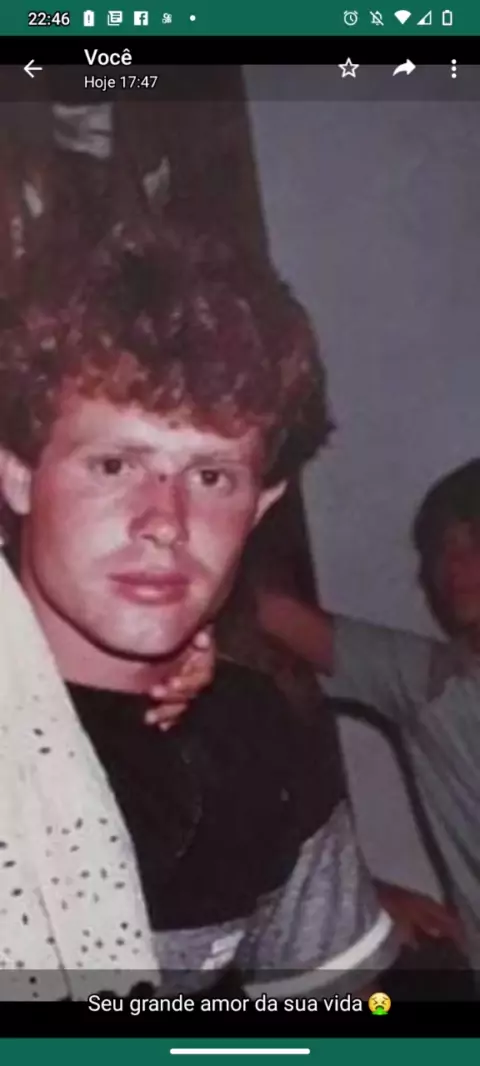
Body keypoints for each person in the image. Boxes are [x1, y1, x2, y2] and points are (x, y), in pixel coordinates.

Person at [0, 201, 397, 1000]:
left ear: (261, 505)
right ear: (17, 476)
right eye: (114, 465)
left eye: (211, 476)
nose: (165, 522)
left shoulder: (259, 735)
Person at [254, 459, 480, 976]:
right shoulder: (433, 683)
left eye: (475, 538)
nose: (453, 563)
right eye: (441, 547)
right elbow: (270, 611)